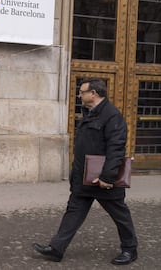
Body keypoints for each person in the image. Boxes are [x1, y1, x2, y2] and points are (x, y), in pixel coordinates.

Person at [33, 78, 138, 265]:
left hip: (103, 179)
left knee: (120, 215)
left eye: (82, 92)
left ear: (94, 94)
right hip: (84, 178)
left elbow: (116, 148)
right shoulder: (90, 113)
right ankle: (57, 248)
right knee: (73, 212)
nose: (79, 95)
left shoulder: (111, 115)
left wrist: (107, 177)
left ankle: (130, 250)